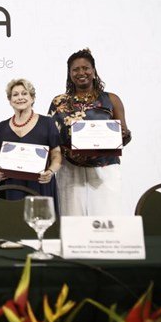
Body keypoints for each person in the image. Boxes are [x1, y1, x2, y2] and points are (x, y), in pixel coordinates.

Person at [48, 48, 131, 216]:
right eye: (75, 69)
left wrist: (123, 135)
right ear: (69, 73)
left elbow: (126, 135)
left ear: (93, 71)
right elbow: (50, 138)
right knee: (72, 221)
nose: (81, 72)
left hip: (105, 168)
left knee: (107, 220)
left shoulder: (111, 99)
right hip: (70, 168)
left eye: (85, 68)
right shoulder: (59, 102)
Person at [0, 78, 62, 212]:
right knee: (13, 227)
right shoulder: (2, 127)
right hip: (11, 186)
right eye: (15, 94)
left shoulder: (47, 123)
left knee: (41, 227)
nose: (20, 97)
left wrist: (50, 171)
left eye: (24, 93)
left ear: (32, 98)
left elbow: (56, 154)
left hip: (40, 185)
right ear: (10, 100)